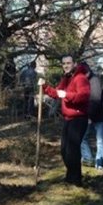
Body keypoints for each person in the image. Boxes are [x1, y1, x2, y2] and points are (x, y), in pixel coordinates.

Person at [39, 55, 90, 186]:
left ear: (74, 64)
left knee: (72, 150)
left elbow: (83, 96)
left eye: (68, 63)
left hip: (79, 118)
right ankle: (70, 177)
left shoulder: (81, 78)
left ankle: (76, 180)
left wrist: (67, 95)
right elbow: (56, 93)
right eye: (63, 63)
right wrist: (45, 86)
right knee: (64, 150)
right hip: (68, 118)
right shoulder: (66, 79)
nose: (66, 65)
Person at [80, 63, 103, 171]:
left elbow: (95, 101)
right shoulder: (86, 81)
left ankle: (99, 163)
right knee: (82, 138)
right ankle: (88, 158)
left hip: (100, 116)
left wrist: (89, 117)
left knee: (99, 141)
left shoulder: (94, 81)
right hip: (92, 114)